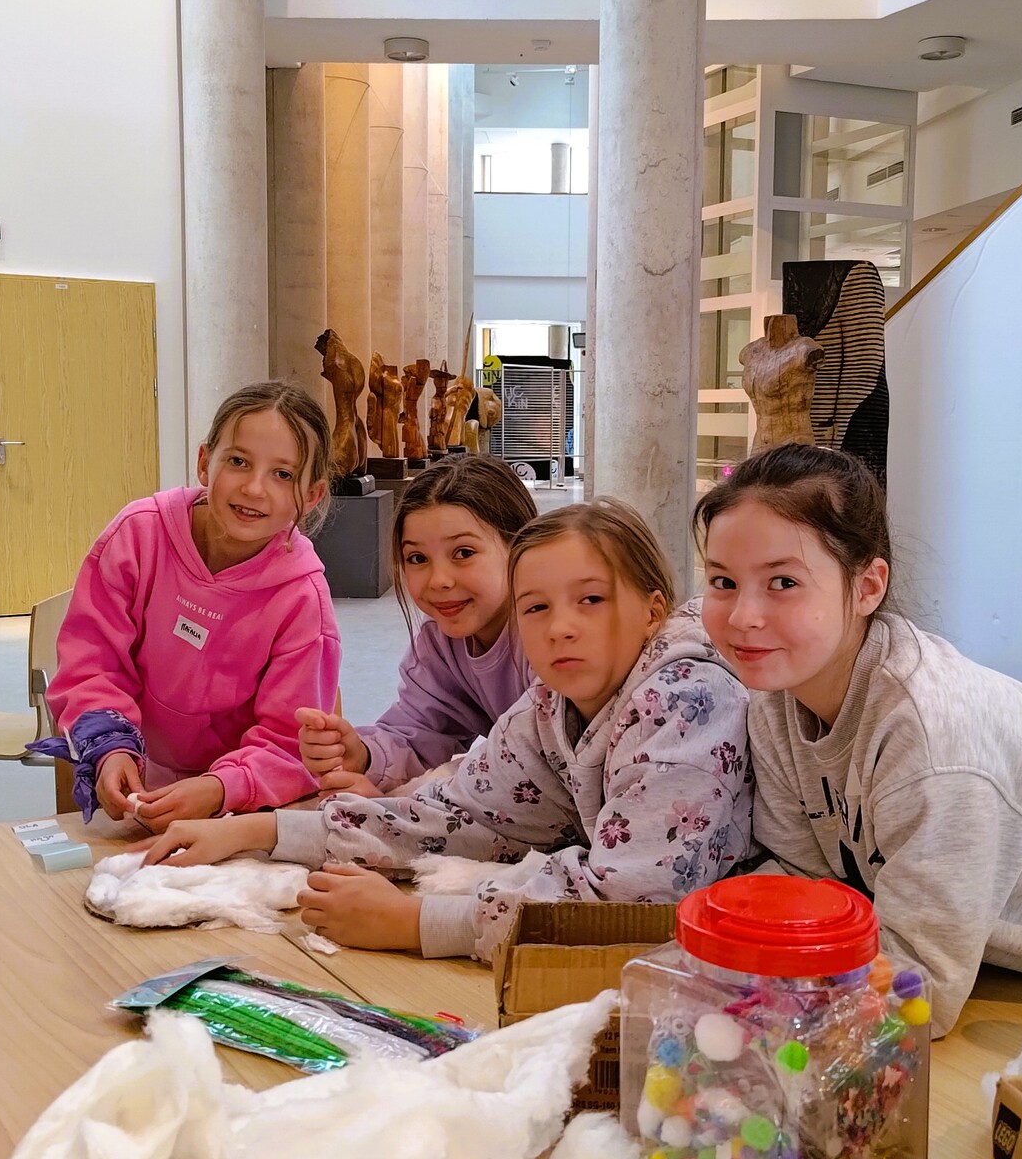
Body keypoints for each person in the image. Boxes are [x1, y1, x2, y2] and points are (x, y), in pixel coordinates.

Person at [144, 498, 753, 960]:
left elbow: (634, 904)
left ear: (652, 609)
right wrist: (257, 830)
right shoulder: (550, 703)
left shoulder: (684, 702)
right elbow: (457, 813)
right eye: (536, 607)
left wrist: (412, 924)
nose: (560, 627)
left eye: (590, 600)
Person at [693, 443, 1022, 1035]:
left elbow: (920, 992)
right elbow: (805, 887)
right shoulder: (775, 695)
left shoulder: (933, 737)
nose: (742, 616)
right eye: (723, 581)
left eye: (782, 582)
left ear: (868, 587)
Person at [41, 382, 339, 826]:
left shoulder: (302, 598)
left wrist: (220, 788)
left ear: (311, 496)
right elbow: (91, 664)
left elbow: (287, 741)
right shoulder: (138, 536)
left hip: (238, 800)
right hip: (131, 770)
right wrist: (109, 747)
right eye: (238, 462)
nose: (254, 488)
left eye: (283, 474)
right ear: (205, 463)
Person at [296, 455, 536, 796]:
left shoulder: (553, 636)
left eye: (463, 553)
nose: (438, 580)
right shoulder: (441, 642)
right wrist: (362, 755)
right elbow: (418, 732)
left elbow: (540, 772)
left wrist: (403, 809)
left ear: (521, 546)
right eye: (418, 558)